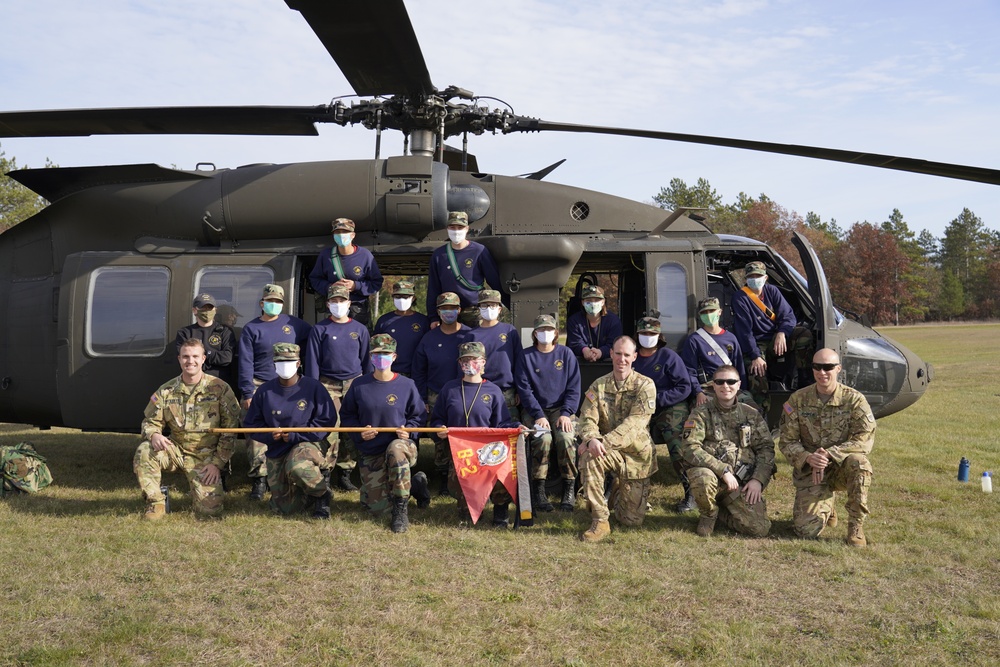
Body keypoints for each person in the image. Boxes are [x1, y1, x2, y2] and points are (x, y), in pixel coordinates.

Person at [133, 339, 241, 520]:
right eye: (185, 357)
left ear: (203, 359)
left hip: (206, 457)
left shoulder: (220, 389)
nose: (190, 361)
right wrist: (154, 435)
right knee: (144, 451)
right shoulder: (166, 390)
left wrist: (217, 464)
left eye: (195, 356)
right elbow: (149, 422)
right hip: (175, 451)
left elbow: (230, 431)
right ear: (179, 359)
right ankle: (156, 503)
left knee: (210, 511)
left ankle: (201, 494)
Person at [779, 348, 876, 546]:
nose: (822, 372)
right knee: (805, 531)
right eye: (817, 367)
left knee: (860, 464)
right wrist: (808, 457)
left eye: (828, 367)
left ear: (838, 368)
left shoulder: (854, 399)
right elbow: (786, 441)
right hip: (811, 470)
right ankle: (827, 505)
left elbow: (864, 438)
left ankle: (855, 526)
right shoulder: (797, 400)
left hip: (841, 467)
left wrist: (829, 454)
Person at [339, 334, 430, 533]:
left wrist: (410, 431)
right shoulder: (359, 385)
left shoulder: (407, 385)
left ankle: (401, 509)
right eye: (377, 354)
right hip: (371, 450)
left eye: (386, 353)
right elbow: (347, 415)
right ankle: (415, 484)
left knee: (396, 449)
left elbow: (419, 416)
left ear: (394, 357)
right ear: (371, 357)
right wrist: (359, 433)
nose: (381, 358)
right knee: (376, 509)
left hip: (400, 447)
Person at [430, 341, 521, 527]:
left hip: (487, 451)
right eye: (466, 360)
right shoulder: (450, 389)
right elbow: (437, 419)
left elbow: (502, 423)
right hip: (461, 453)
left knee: (501, 468)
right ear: (460, 363)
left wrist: (518, 426)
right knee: (467, 516)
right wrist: (439, 429)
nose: (470, 363)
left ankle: (500, 509)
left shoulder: (494, 391)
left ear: (484, 362)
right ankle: (469, 504)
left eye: (475, 359)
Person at [576, 336, 657, 542]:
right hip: (606, 451)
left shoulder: (645, 385)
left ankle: (617, 493)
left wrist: (601, 442)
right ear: (611, 354)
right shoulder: (598, 386)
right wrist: (591, 439)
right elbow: (587, 419)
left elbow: (634, 425)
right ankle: (600, 520)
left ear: (635, 357)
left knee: (630, 520)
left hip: (636, 456)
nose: (622, 359)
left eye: (627, 355)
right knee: (589, 457)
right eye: (618, 354)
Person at [679, 365, 775, 538]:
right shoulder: (700, 414)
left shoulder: (751, 415)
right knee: (702, 477)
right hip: (713, 477)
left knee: (759, 529)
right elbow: (689, 447)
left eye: (731, 382)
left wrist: (757, 480)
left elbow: (766, 449)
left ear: (738, 385)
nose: (725, 386)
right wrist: (722, 470)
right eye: (720, 382)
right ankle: (708, 514)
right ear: (713, 386)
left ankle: (723, 514)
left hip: (741, 482)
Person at [244, 343, 336, 518]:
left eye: (290, 361)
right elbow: (251, 424)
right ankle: (305, 493)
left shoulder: (313, 387)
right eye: (280, 361)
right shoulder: (265, 391)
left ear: (298, 363)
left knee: (297, 464)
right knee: (284, 509)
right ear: (273, 364)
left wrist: (296, 435)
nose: (285, 365)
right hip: (277, 448)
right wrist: (270, 434)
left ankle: (322, 495)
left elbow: (326, 422)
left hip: (308, 444)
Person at [237, 284, 312, 501]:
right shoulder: (252, 329)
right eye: (271, 301)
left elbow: (313, 342)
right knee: (256, 435)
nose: (275, 305)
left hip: (288, 389)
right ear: (262, 303)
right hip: (260, 386)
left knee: (290, 430)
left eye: (279, 301)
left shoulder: (295, 325)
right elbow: (245, 362)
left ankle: (287, 473)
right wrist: (248, 393)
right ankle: (259, 480)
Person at [303, 283, 372, 492]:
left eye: (342, 301)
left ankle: (346, 472)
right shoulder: (320, 329)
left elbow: (367, 361)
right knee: (330, 429)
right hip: (327, 383)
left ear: (349, 303)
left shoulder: (360, 330)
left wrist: (367, 387)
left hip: (353, 383)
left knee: (350, 429)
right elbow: (312, 361)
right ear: (328, 303)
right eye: (334, 301)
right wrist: (314, 389)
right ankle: (325, 472)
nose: (338, 304)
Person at [514, 313, 581, 512]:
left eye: (549, 330)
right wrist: (538, 415)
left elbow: (574, 388)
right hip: (535, 411)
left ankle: (569, 489)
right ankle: (539, 490)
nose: (545, 333)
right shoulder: (526, 356)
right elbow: (525, 390)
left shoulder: (566, 354)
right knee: (543, 439)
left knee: (566, 438)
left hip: (561, 409)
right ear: (535, 334)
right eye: (541, 330)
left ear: (556, 333)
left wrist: (566, 413)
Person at [632, 316, 694, 511]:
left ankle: (691, 491)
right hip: (639, 408)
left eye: (651, 334)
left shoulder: (668, 356)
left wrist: (659, 398)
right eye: (644, 333)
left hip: (669, 405)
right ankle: (631, 491)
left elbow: (684, 386)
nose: (647, 337)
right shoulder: (632, 357)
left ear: (659, 336)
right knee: (634, 442)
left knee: (675, 438)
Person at [411, 292, 471, 494]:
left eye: (452, 308)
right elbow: (418, 370)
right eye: (444, 309)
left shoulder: (469, 336)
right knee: (440, 436)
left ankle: (464, 475)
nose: (449, 312)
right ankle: (444, 479)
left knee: (461, 433)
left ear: (459, 310)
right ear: (438, 312)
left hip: (462, 392)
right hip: (435, 393)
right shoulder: (428, 338)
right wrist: (422, 397)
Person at [731, 261, 797, 414]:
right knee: (757, 372)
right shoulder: (741, 297)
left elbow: (788, 316)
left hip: (775, 338)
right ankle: (761, 414)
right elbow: (744, 331)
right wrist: (755, 356)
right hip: (755, 343)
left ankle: (804, 380)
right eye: (751, 276)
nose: (755, 279)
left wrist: (782, 332)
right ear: (746, 279)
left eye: (758, 276)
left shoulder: (772, 292)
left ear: (765, 277)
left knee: (803, 335)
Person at [427, 211, 505, 328]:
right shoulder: (439, 255)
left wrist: (503, 304)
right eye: (452, 227)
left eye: (460, 227)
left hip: (474, 311)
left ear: (467, 228)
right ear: (447, 229)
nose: (456, 231)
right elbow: (433, 288)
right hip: (449, 309)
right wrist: (433, 317)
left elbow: (494, 281)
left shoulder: (479, 251)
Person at [308, 217, 384, 327]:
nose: (341, 235)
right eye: (337, 232)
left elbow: (376, 283)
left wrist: (355, 286)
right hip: (334, 310)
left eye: (345, 232)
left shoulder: (365, 256)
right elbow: (314, 279)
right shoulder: (326, 255)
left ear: (353, 235)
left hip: (358, 311)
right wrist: (330, 287)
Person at [679, 297, 748, 407]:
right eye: (704, 312)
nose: (708, 314)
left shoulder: (731, 338)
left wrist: (742, 390)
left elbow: (739, 368)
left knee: (751, 409)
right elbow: (689, 370)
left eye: (711, 311)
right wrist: (698, 392)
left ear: (719, 312)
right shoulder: (694, 340)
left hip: (730, 385)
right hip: (707, 388)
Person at [466, 289, 523, 422]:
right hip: (479, 389)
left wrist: (518, 390)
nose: (489, 309)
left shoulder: (509, 331)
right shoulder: (471, 335)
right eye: (485, 306)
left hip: (506, 391)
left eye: (493, 305)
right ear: (479, 308)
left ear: (500, 309)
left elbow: (519, 361)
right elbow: (465, 366)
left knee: (509, 429)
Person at [174, 293, 236, 385]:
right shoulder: (185, 333)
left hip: (220, 385)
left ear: (215, 310)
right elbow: (186, 360)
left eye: (209, 308)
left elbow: (226, 358)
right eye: (203, 308)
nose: (207, 311)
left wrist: (204, 354)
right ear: (194, 310)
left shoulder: (225, 331)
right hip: (193, 384)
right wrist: (213, 357)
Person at [372, 280, 430, 377]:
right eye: (398, 297)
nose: (401, 300)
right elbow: (375, 348)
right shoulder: (384, 321)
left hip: (416, 374)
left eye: (406, 297)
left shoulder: (423, 321)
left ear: (413, 298)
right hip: (389, 373)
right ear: (393, 298)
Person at [565, 284, 623, 363]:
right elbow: (575, 342)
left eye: (596, 300)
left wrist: (600, 352)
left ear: (603, 302)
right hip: (580, 365)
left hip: (608, 365)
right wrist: (584, 350)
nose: (593, 304)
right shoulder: (574, 321)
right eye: (588, 300)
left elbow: (614, 344)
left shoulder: (613, 321)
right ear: (582, 302)